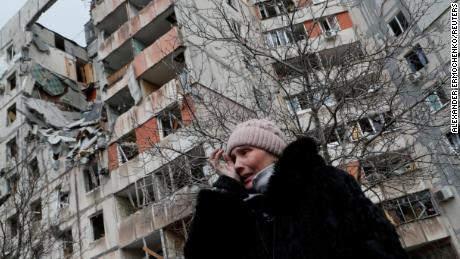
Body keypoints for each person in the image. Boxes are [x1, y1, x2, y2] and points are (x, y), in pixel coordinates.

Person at [184, 119, 408, 259]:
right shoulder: (242, 210)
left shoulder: (324, 182)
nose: (238, 164)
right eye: (233, 158)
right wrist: (226, 190)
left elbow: (381, 246)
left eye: (245, 152)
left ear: (271, 151)